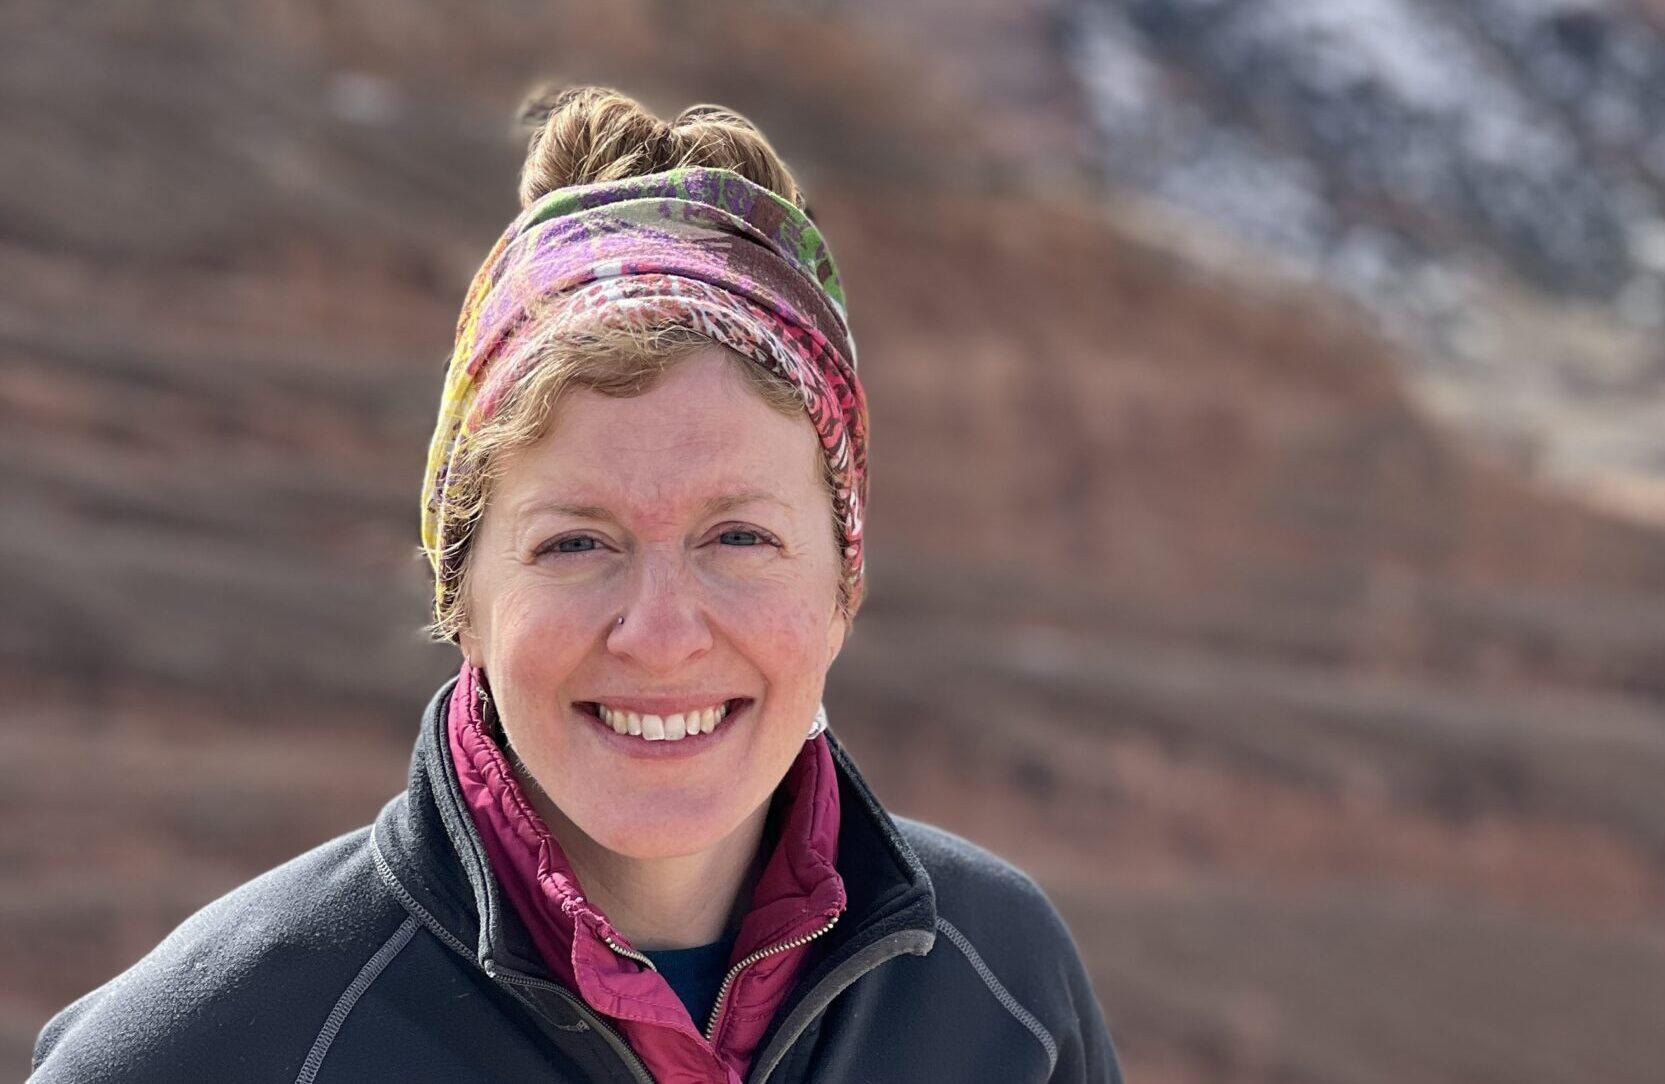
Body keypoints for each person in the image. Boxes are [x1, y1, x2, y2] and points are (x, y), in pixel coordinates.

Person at [28, 87, 1122, 1084]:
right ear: (463, 589)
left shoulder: (1007, 994)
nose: (659, 632)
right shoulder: (196, 1053)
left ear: (845, 579)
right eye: (574, 543)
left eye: (738, 536)